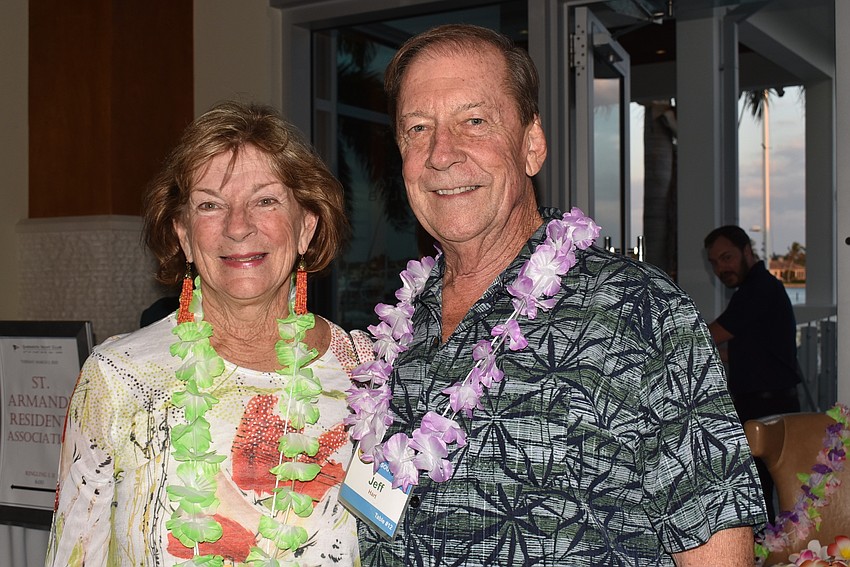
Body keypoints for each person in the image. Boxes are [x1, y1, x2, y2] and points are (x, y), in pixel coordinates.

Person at [353, 24, 766, 566]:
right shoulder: (398, 329)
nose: (441, 154)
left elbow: (716, 542)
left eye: (474, 122)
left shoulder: (633, 309)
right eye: (417, 128)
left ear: (531, 144)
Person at [45, 101, 373, 566]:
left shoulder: (365, 375)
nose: (238, 227)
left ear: (306, 227)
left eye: (265, 200)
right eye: (210, 205)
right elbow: (73, 555)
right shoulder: (118, 378)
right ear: (183, 236)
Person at [705, 224, 801, 520]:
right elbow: (738, 351)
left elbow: (711, 336)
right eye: (715, 263)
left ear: (747, 251)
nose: (722, 268)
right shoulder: (758, 289)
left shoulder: (757, 289)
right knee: (763, 494)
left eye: (727, 257)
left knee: (758, 496)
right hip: (769, 403)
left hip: (767, 407)